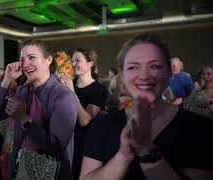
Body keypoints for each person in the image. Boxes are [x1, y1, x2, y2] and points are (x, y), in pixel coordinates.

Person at [80, 33, 213, 180]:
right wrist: (123, 156)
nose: (144, 75)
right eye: (133, 67)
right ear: (122, 77)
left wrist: (146, 149)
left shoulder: (200, 128)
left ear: (168, 73)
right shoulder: (103, 125)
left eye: (154, 66)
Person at [0, 39, 78, 179]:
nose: (25, 64)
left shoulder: (64, 96)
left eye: (32, 58)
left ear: (48, 60)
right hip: (19, 168)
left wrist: (23, 119)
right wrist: (6, 80)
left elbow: (56, 148)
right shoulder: (23, 91)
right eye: (22, 59)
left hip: (49, 172)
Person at [59, 48, 108, 180]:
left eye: (78, 60)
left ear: (90, 64)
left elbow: (85, 120)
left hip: (84, 144)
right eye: (72, 61)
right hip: (65, 141)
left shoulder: (99, 90)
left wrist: (71, 92)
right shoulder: (69, 84)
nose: (73, 64)